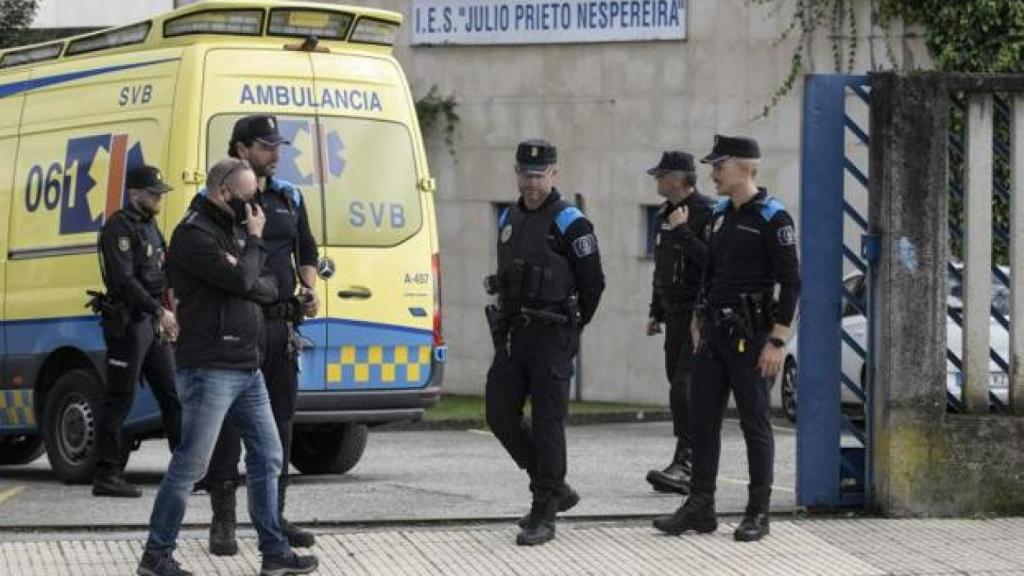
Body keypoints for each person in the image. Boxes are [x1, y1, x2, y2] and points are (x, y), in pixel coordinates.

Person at [136, 158, 318, 576]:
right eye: (249, 198)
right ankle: (156, 554)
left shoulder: (231, 232)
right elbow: (242, 282)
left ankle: (273, 553)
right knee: (191, 465)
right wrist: (251, 253)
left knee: (268, 457)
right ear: (223, 192)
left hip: (246, 366)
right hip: (210, 367)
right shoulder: (194, 235)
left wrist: (247, 269)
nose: (257, 209)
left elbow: (269, 283)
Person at [653, 135, 800, 543]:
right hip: (714, 334)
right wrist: (701, 315)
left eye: (719, 166)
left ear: (744, 167)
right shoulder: (719, 214)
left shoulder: (773, 218)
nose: (713, 174)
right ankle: (701, 506)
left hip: (753, 337)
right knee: (702, 421)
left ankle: (758, 512)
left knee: (755, 423)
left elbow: (791, 284)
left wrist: (777, 341)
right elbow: (709, 272)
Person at [203, 114, 319, 556]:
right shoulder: (221, 199)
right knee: (231, 427)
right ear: (240, 150)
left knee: (281, 425)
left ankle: (274, 517)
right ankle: (224, 521)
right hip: (237, 327)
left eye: (278, 146)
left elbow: (305, 247)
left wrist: (309, 287)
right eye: (266, 146)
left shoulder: (290, 196)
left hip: (280, 325)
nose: (275, 153)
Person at [485, 139, 605, 546]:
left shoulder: (570, 222)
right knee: (499, 413)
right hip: (514, 333)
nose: (531, 182)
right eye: (525, 173)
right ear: (516, 173)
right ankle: (554, 486)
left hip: (553, 334)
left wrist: (572, 330)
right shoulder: (510, 216)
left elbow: (594, 284)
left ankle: (544, 510)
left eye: (539, 175)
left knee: (548, 422)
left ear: (554, 174)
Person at [92, 165, 182, 498]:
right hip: (129, 323)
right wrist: (159, 311)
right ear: (134, 194)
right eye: (154, 193)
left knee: (172, 395)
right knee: (120, 397)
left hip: (152, 323)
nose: (159, 198)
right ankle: (107, 474)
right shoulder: (119, 227)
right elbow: (124, 281)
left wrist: (171, 314)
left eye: (160, 193)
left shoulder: (150, 226)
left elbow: (163, 274)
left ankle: (186, 470)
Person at [644, 151, 713, 495]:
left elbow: (711, 264)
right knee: (676, 383)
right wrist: (655, 310)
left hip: (698, 315)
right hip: (673, 314)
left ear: (679, 178)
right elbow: (662, 266)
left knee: (684, 387)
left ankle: (687, 463)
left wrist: (684, 231)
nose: (656, 180)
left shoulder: (707, 212)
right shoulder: (664, 214)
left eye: (661, 175)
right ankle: (687, 459)